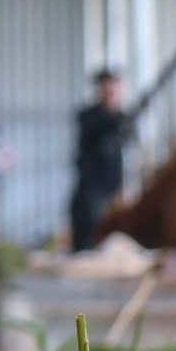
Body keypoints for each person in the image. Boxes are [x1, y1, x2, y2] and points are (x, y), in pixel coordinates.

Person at [71, 70, 127, 251]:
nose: (111, 91)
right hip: (92, 189)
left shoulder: (121, 119)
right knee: (89, 234)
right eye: (107, 86)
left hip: (114, 186)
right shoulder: (89, 117)